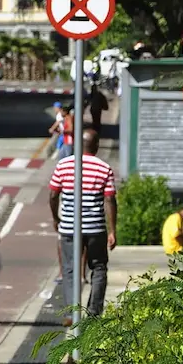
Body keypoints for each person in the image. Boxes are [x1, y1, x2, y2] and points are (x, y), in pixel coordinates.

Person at [48, 129, 118, 324]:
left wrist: (56, 218)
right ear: (96, 146)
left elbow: (53, 195)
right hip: (96, 227)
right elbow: (110, 200)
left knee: (70, 268)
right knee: (99, 267)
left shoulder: (64, 165)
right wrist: (113, 230)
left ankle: (72, 312)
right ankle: (94, 312)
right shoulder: (104, 168)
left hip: (69, 226)